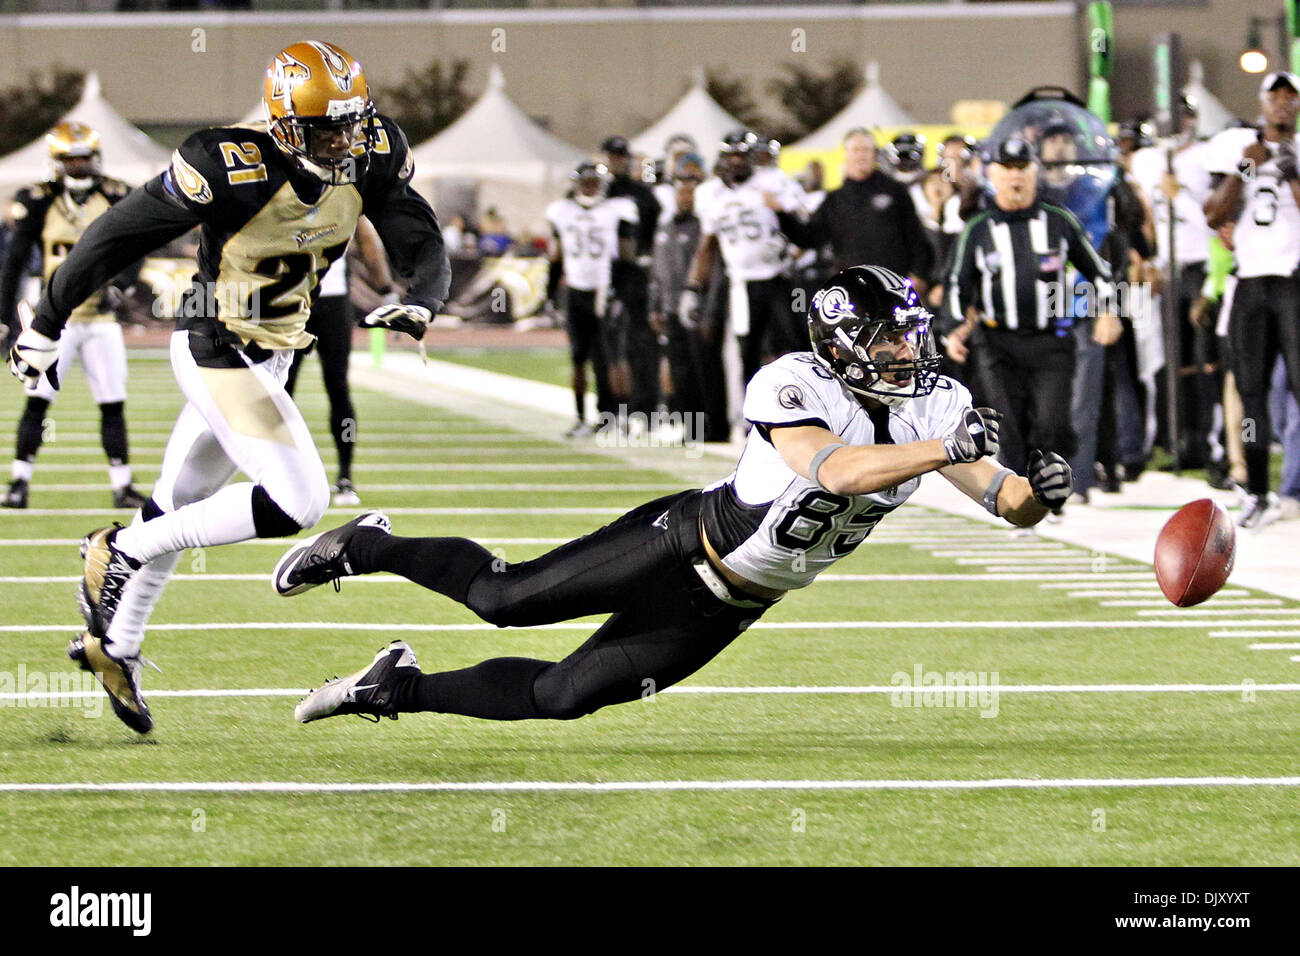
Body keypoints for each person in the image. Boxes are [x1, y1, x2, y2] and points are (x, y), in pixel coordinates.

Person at [274, 265, 1072, 725]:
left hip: (735, 601)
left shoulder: (937, 405)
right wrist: (943, 450)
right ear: (842, 345)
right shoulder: (792, 381)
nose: (908, 349)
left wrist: (1038, 493)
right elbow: (833, 472)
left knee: (561, 698)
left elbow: (1002, 499)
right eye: (889, 337)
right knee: (503, 597)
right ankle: (364, 545)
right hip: (681, 542)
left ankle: (392, 687)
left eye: (908, 332)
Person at [6, 40, 451, 733]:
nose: (342, 141)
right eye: (324, 128)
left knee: (180, 504)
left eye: (349, 123)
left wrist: (422, 297)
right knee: (299, 499)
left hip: (269, 356)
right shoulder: (227, 165)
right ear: (282, 124)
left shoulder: (372, 152)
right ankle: (117, 549)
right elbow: (117, 235)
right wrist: (46, 319)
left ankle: (114, 646)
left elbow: (418, 238)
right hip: (213, 343)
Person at [945, 137, 1115, 484]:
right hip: (997, 342)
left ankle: (1050, 486)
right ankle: (1021, 495)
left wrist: (1110, 311)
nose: (1014, 177)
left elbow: (1100, 270)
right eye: (1007, 168)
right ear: (992, 174)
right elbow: (955, 282)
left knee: (1052, 422)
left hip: (1051, 340)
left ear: (1035, 172)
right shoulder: (978, 229)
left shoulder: (1059, 220)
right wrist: (953, 328)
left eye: (1022, 167)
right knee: (1008, 424)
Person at [0, 121, 148, 510]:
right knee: (38, 399)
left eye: (84, 159)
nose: (79, 167)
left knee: (113, 401)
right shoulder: (39, 199)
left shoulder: (115, 196)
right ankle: (19, 482)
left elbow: (138, 246)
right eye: (72, 160)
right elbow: (14, 261)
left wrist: (121, 286)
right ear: (59, 161)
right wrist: (5, 316)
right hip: (54, 319)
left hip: (100, 320)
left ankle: (122, 484)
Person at [1203, 71, 1300, 529]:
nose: (1283, 104)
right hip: (1250, 285)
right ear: (1262, 103)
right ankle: (1258, 491)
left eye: (1290, 97)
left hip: (1293, 282)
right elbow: (1214, 214)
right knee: (1251, 395)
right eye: (1275, 96)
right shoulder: (1240, 146)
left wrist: (1291, 169)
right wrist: (1246, 168)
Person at [685, 130, 807, 421]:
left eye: (744, 155)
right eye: (733, 156)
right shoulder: (709, 194)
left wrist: (788, 249)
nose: (738, 162)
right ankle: (754, 418)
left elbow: (805, 226)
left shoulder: (773, 183)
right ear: (724, 159)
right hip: (740, 283)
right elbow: (707, 245)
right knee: (746, 353)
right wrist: (693, 287)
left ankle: (806, 410)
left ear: (754, 158)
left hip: (783, 280)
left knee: (798, 343)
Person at [284, 217, 394, 507]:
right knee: (321, 388)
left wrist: (385, 288)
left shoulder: (337, 190)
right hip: (312, 301)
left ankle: (309, 476)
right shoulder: (341, 189)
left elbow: (368, 241)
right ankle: (340, 478)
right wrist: (385, 290)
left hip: (297, 299)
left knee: (288, 390)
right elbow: (368, 243)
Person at [772, 128, 933, 291]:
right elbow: (809, 237)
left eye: (866, 150)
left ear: (875, 154)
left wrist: (919, 273)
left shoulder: (895, 191)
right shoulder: (835, 199)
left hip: (892, 283)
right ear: (846, 154)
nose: (861, 155)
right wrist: (781, 213)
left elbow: (915, 236)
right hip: (852, 287)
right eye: (855, 150)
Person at [545, 161, 638, 436]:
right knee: (578, 358)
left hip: (604, 289)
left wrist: (621, 292)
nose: (589, 187)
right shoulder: (562, 212)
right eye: (584, 182)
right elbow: (556, 255)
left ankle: (619, 418)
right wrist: (550, 293)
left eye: (593, 182)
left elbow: (627, 256)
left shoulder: (616, 210)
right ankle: (580, 418)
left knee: (614, 357)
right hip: (576, 291)